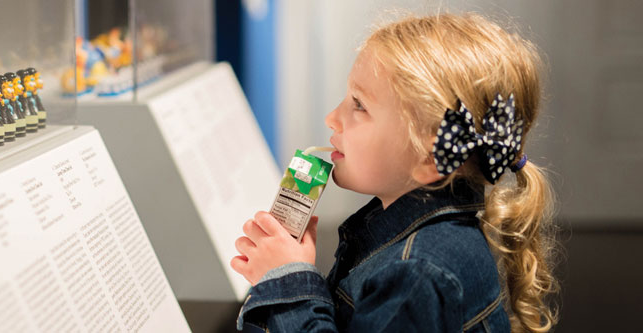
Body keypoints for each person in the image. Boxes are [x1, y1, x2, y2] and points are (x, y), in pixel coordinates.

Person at [231, 13, 558, 332]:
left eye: (359, 104)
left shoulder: (416, 274)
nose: (332, 117)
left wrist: (288, 282)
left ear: (430, 158)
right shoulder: (418, 242)